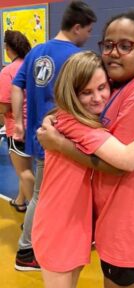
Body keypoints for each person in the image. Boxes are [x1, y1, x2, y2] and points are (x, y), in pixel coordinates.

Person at [37, 9, 134, 288]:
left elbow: (122, 163)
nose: (113, 52)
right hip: (69, 221)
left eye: (125, 45)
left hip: (114, 223)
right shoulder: (110, 92)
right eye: (108, 44)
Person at [11, 1, 97, 271]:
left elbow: (17, 86)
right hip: (60, 139)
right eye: (88, 31)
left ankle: (42, 238)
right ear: (77, 27)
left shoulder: (37, 51)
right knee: (43, 194)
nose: (88, 37)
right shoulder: (75, 57)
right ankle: (26, 251)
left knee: (46, 193)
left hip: (40, 135)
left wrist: (19, 123)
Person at [0, 30, 34, 212]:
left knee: (24, 172)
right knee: (27, 167)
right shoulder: (32, 66)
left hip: (18, 128)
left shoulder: (8, 72)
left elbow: (5, 107)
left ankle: (36, 214)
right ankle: (20, 201)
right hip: (35, 126)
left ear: (7, 48)